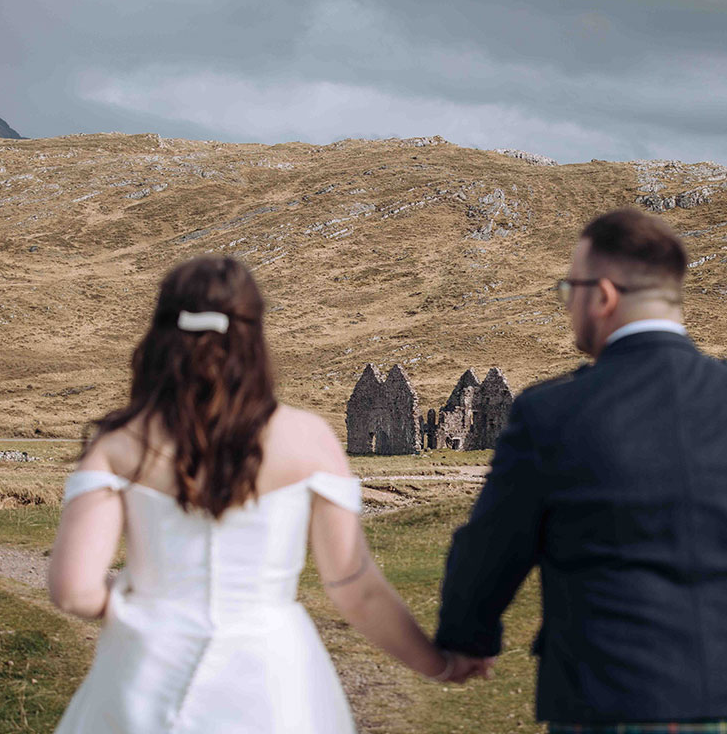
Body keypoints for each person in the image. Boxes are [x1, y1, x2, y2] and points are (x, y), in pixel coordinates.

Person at [434, 207, 727, 733]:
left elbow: (493, 546)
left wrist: (467, 638)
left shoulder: (552, 413)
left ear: (604, 296)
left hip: (610, 706)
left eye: (569, 288)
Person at [48, 255, 481, 734]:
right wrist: (437, 663)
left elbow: (74, 591)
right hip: (272, 682)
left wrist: (144, 601)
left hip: (143, 676)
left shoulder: (119, 443)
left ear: (161, 336)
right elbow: (356, 588)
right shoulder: (308, 439)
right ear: (254, 337)